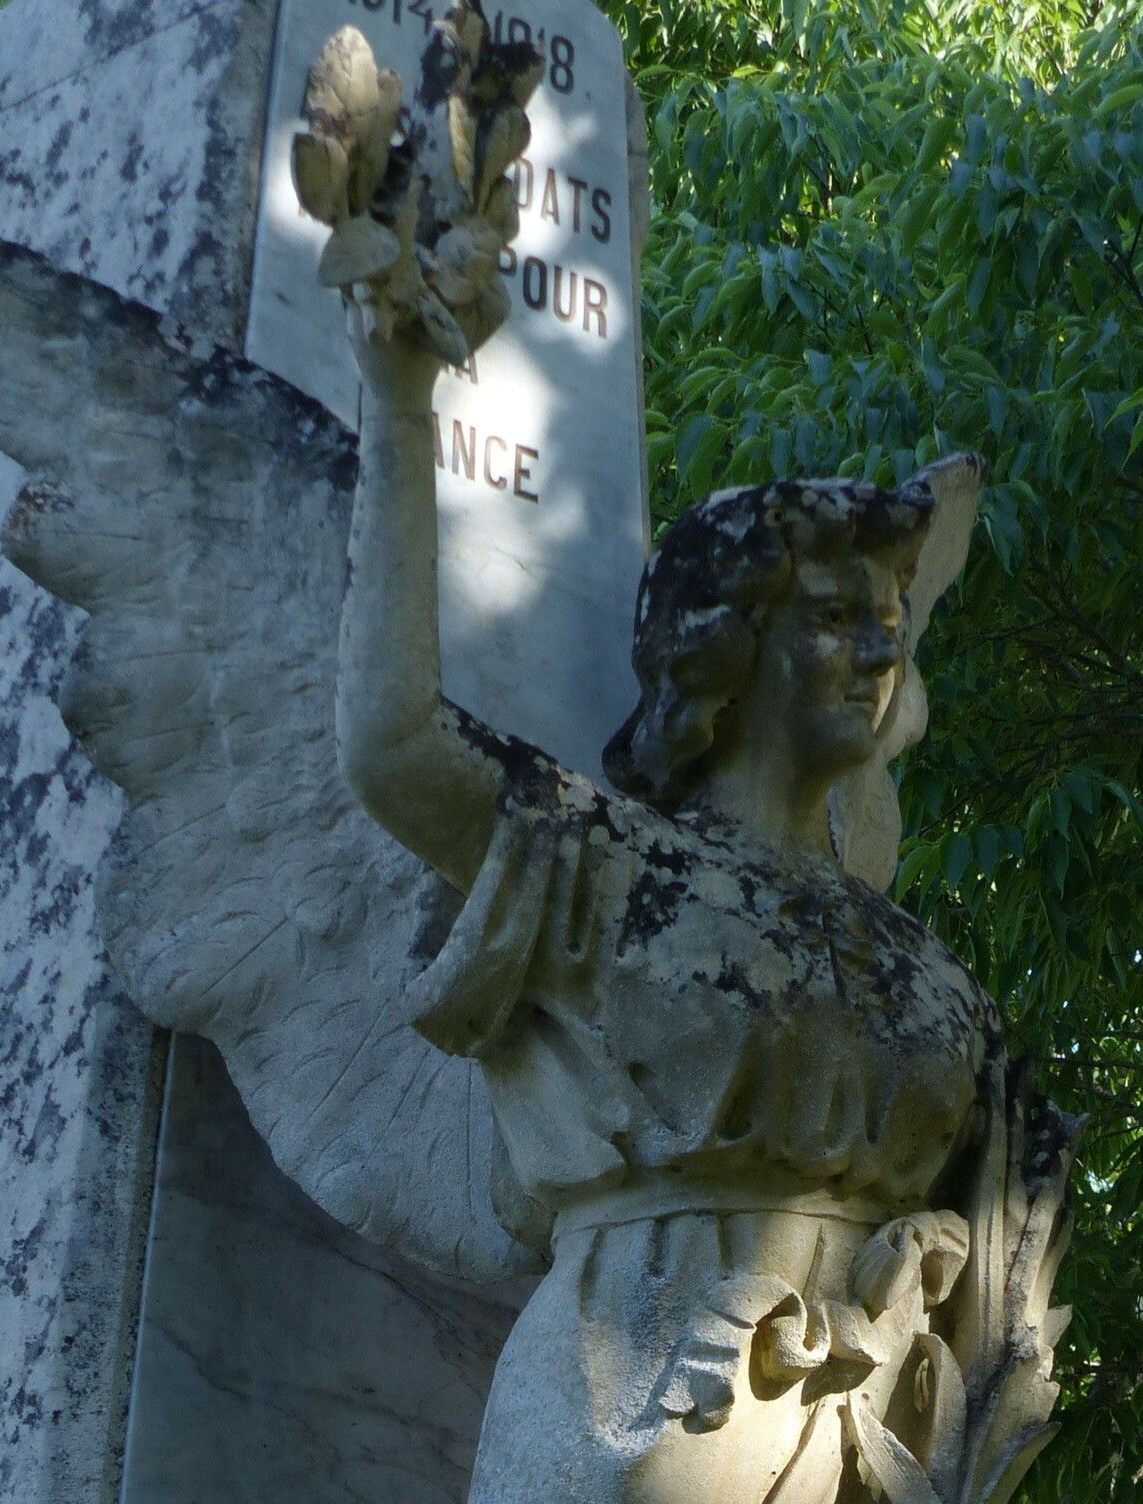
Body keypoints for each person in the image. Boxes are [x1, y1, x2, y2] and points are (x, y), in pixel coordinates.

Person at [336, 298, 999, 1501]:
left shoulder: (915, 964)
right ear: (727, 641)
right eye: (833, 619)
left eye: (889, 623)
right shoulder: (613, 870)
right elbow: (393, 748)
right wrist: (397, 401)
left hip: (880, 1435)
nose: (877, 649)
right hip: (641, 1409)